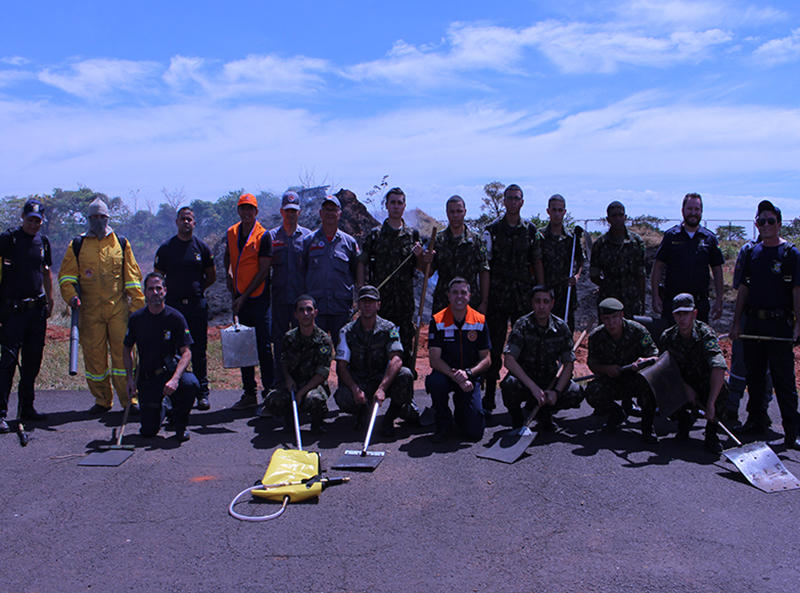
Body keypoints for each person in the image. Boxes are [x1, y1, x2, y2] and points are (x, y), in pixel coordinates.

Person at [58, 197, 145, 415]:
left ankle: (129, 400)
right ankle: (102, 400)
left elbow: (133, 279)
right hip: (89, 312)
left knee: (123, 356)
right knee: (94, 358)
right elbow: (66, 277)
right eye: (94, 217)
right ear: (88, 219)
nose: (98, 221)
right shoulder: (77, 245)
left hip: (118, 311)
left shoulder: (121, 243)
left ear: (108, 218)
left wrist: (137, 310)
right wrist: (71, 297)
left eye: (102, 217)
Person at [730, 200, 800, 449]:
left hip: (779, 324)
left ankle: (793, 431)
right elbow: (743, 290)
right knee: (755, 377)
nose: (766, 224)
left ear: (779, 225)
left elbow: (796, 291)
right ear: (756, 224)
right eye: (762, 220)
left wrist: (798, 325)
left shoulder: (790, 254)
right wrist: (737, 323)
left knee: (784, 380)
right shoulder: (751, 253)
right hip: (753, 324)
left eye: (771, 220)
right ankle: (756, 421)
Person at [482, 184, 544, 414]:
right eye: (509, 198)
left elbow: (537, 262)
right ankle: (489, 396)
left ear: (522, 202)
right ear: (504, 201)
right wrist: (485, 299)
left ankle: (525, 395)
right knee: (494, 348)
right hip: (498, 298)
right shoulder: (492, 229)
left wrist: (540, 292)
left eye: (516, 198)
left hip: (522, 298)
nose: (512, 202)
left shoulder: (530, 231)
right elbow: (485, 267)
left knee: (524, 348)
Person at [122, 273, 199, 442]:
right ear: (145, 292)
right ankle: (165, 407)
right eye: (151, 289)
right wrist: (129, 378)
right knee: (148, 432)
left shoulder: (176, 317)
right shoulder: (137, 319)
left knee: (190, 383)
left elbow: (186, 352)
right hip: (148, 378)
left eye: (159, 288)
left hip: (169, 373)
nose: (155, 292)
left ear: (165, 291)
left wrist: (175, 379)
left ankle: (181, 424)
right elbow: (127, 348)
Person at [154, 206, 216, 411]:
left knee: (198, 351)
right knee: (171, 351)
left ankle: (202, 394)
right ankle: (172, 394)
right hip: (173, 308)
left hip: (196, 306)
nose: (186, 222)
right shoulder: (166, 248)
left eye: (190, 219)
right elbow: (158, 278)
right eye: (182, 219)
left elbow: (211, 276)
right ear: (177, 222)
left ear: (194, 223)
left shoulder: (202, 248)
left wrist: (196, 291)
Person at [0, 199, 53, 432]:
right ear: (22, 217)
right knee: (7, 365)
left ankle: (27, 409)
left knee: (32, 363)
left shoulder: (43, 241)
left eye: (38, 221)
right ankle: (1, 414)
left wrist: (50, 300)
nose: (33, 224)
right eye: (30, 219)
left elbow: (46, 271)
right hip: (12, 312)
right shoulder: (8, 239)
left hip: (37, 312)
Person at [357, 187, 425, 369]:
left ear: (404, 206)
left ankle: (406, 389)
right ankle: (377, 388)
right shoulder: (375, 235)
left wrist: (420, 256)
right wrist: (362, 288)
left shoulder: (413, 235)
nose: (396, 206)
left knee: (405, 344)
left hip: (404, 301)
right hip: (380, 301)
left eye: (400, 203)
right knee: (378, 344)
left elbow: (421, 267)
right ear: (386, 205)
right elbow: (362, 262)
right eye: (392, 202)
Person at [333, 285, 414, 437]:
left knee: (406, 375)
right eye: (364, 301)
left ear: (378, 305)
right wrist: (355, 389)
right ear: (358, 305)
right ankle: (362, 412)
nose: (368, 305)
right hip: (360, 382)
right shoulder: (347, 331)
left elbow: (396, 359)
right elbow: (341, 366)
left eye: (372, 301)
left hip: (383, 380)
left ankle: (389, 419)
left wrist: (382, 388)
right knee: (343, 397)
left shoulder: (389, 328)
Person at [501, 285, 584, 432]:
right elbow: (509, 360)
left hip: (549, 381)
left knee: (575, 392)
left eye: (546, 302)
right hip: (526, 381)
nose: (541, 306)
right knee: (508, 385)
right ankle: (518, 421)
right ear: (532, 303)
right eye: (537, 301)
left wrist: (556, 392)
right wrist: (533, 388)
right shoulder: (522, 325)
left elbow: (568, 364)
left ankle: (545, 412)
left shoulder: (561, 327)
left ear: (552, 304)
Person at [659, 294, 728, 453]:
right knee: (663, 388)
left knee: (722, 389)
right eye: (679, 314)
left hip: (704, 384)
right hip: (682, 382)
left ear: (694, 314)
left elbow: (718, 367)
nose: (682, 318)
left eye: (686, 313)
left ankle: (711, 432)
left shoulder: (706, 335)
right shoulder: (668, 337)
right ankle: (684, 420)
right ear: (673, 315)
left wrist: (710, 404)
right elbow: (664, 369)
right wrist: (684, 387)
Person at [224, 193, 274, 411]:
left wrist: (243, 297)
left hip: (258, 298)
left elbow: (263, 271)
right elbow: (229, 256)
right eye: (242, 208)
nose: (246, 212)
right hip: (240, 298)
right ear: (238, 211)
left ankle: (269, 393)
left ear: (256, 212)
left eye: (250, 208)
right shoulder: (231, 232)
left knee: (263, 347)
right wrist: (229, 279)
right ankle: (248, 394)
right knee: (243, 346)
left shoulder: (263, 236)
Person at [585, 298, 659, 442]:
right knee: (593, 391)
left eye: (614, 317)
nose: (611, 323)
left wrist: (642, 362)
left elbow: (655, 356)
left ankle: (647, 427)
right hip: (612, 380)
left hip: (636, 379)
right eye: (606, 319)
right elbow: (592, 365)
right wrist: (606, 369)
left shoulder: (637, 331)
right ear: (601, 319)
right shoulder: (596, 336)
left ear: (622, 315)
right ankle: (616, 414)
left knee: (649, 384)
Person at [426, 277, 491, 443]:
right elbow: (434, 360)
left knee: (474, 433)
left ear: (469, 296)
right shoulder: (437, 320)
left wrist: (468, 373)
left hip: (470, 376)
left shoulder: (480, 321)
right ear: (448, 296)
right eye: (455, 293)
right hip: (446, 374)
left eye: (463, 292)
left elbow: (486, 360)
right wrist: (457, 377)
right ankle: (444, 422)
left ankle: (462, 411)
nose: (459, 296)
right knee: (435, 382)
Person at [261, 295, 334, 434]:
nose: (305, 314)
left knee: (315, 400)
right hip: (293, 385)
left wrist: (302, 392)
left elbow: (322, 373)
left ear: (315, 313)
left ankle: (317, 423)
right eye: (301, 310)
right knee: (272, 400)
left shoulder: (324, 340)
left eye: (309, 309)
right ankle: (289, 418)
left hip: (313, 385)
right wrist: (288, 378)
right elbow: (284, 362)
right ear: (295, 314)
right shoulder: (289, 337)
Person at [651, 193, 724, 324]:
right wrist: (655, 296)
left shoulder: (709, 239)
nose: (693, 213)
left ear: (701, 211)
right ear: (682, 210)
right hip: (673, 302)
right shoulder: (671, 236)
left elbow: (717, 270)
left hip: (699, 304)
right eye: (690, 209)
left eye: (697, 209)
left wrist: (719, 300)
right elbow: (657, 267)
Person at [303, 195, 360, 345]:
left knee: (344, 353)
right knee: (315, 352)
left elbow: (355, 270)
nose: (330, 213)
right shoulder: (309, 241)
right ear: (320, 213)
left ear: (339, 214)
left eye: (333, 210)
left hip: (341, 308)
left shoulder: (349, 243)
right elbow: (302, 271)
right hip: (316, 309)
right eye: (326, 210)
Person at [269, 191, 312, 384]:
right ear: (281, 211)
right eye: (287, 210)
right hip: (278, 300)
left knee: (301, 343)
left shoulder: (308, 238)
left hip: (300, 303)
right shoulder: (270, 237)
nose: (290, 214)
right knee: (278, 344)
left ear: (299, 212)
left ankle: (301, 383)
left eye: (294, 211)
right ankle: (279, 384)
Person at [430, 195, 490, 316]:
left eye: (459, 211)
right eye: (452, 211)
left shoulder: (476, 240)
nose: (455, 215)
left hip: (470, 303)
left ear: (465, 212)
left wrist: (484, 302)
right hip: (443, 303)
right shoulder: (438, 240)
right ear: (447, 213)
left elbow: (484, 271)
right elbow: (429, 272)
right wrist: (424, 259)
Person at [590, 201, 646, 318]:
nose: (618, 219)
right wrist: (608, 286)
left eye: (620, 215)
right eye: (614, 216)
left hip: (631, 302)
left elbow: (641, 276)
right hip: (609, 301)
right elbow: (594, 275)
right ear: (608, 219)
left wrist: (642, 303)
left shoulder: (636, 242)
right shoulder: (600, 244)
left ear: (625, 217)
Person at [539, 194, 585, 331]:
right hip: (546, 292)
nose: (557, 214)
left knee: (566, 330)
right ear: (548, 211)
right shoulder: (540, 236)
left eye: (560, 210)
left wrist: (577, 276)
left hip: (566, 292)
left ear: (565, 212)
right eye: (554, 210)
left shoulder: (572, 238)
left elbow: (581, 259)